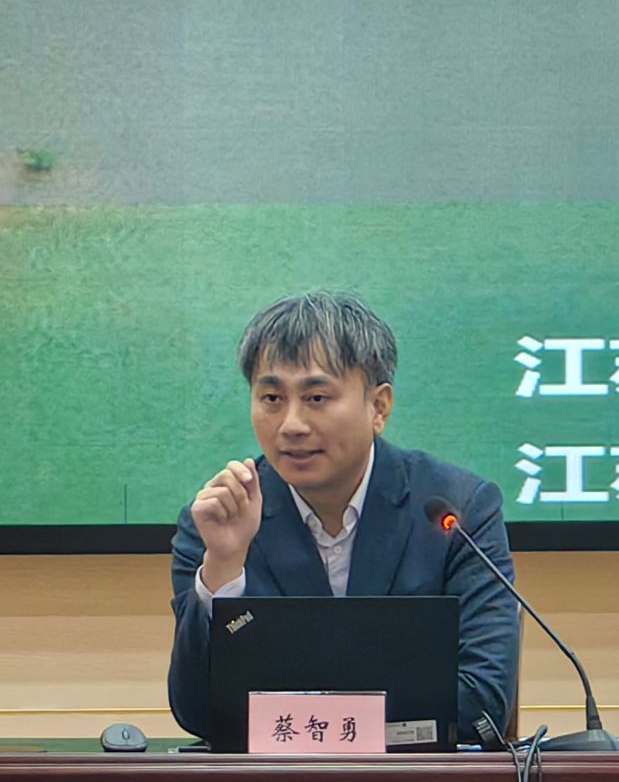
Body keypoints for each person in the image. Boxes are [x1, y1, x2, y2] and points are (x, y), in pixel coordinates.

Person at [167, 292, 521, 743]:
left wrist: (308, 716)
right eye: (271, 398)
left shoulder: (459, 511)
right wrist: (224, 568)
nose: (291, 425)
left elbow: (482, 705)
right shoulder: (220, 521)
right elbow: (198, 712)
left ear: (379, 407)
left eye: (316, 397)